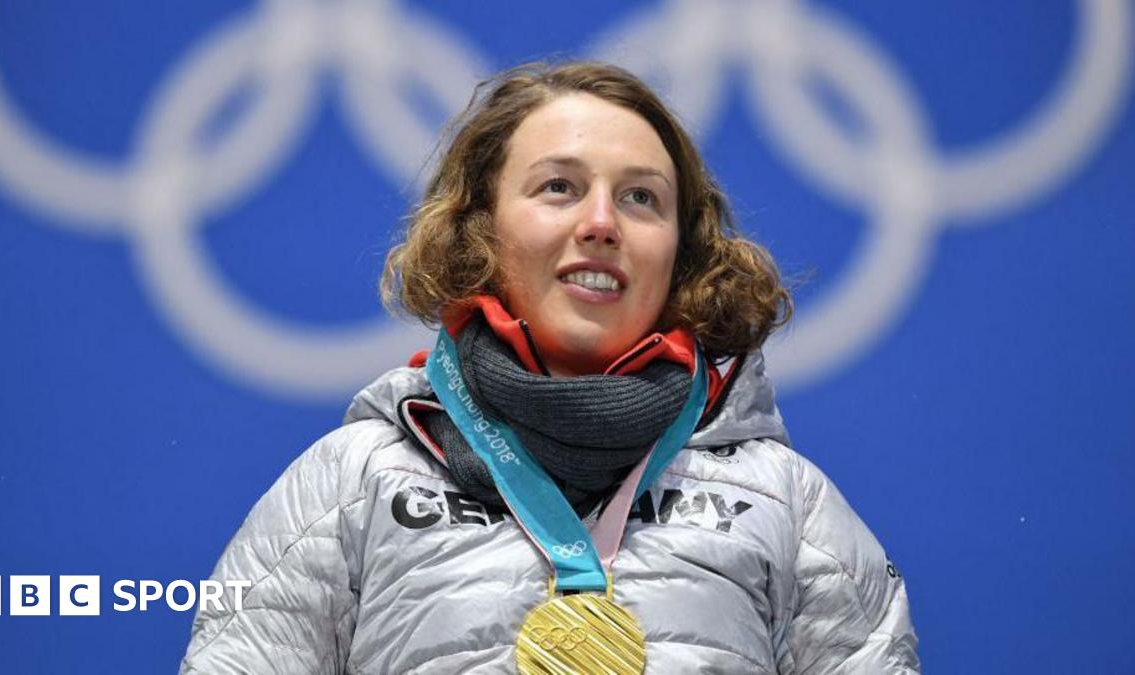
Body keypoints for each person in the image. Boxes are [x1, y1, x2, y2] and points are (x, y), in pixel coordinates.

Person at [179, 61, 919, 674]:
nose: (600, 222)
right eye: (558, 186)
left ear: (681, 251)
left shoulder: (790, 504)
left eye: (641, 198)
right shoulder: (348, 484)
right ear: (481, 229)